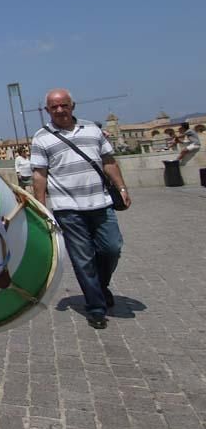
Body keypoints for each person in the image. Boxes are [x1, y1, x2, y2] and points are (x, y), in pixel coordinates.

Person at [30, 88, 130, 330]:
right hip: (68, 209)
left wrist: (123, 188)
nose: (60, 110)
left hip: (101, 203)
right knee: (83, 259)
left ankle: (100, 286)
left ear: (72, 105)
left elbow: (109, 162)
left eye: (64, 105)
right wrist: (41, 207)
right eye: (54, 107)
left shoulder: (93, 130)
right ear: (47, 110)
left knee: (111, 248)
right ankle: (96, 307)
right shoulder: (41, 137)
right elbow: (39, 176)